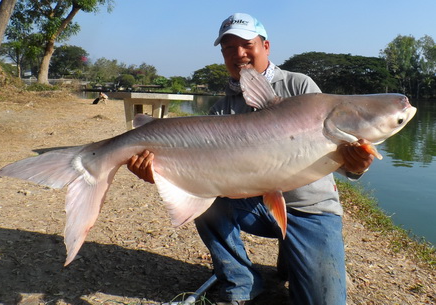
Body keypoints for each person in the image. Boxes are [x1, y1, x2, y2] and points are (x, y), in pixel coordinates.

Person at [127, 13, 374, 305]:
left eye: (246, 44)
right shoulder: (222, 109)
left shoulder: (300, 87)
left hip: (311, 210)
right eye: (228, 48)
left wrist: (356, 164)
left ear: (265, 46)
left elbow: (339, 147)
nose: (238, 54)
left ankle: (294, 258)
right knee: (204, 199)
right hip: (256, 204)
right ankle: (242, 283)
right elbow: (200, 170)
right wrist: (158, 170)